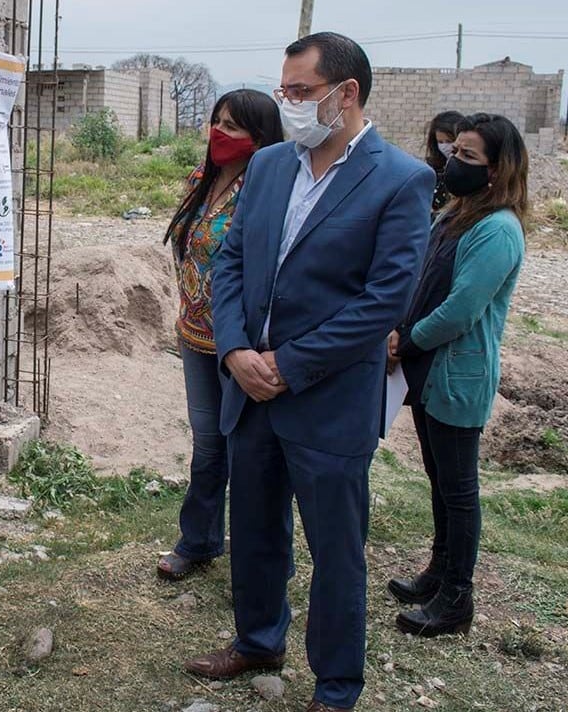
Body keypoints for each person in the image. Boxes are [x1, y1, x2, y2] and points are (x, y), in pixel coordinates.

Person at [190, 33, 434, 712]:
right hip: (251, 389)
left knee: (336, 553)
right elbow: (231, 261)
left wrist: (289, 366)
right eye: (284, 91)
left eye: (299, 91)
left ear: (345, 93)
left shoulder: (401, 179)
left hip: (326, 401)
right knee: (256, 530)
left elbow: (384, 300)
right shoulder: (270, 166)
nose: (288, 103)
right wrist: (236, 351)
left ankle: (335, 686)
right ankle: (258, 639)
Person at [386, 114, 527, 638]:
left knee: (459, 488)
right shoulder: (458, 213)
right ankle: (437, 572)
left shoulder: (498, 229)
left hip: (457, 377)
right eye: (453, 153)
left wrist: (408, 339)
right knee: (439, 480)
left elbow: (462, 309)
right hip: (429, 372)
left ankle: (457, 599)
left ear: (498, 170)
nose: (453, 164)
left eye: (468, 158)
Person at [155, 89, 284, 581]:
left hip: (242, 344)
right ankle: (200, 540)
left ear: (261, 138)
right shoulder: (200, 181)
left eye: (233, 126)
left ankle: (257, 560)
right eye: (217, 122)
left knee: (248, 451)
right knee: (207, 443)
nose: (219, 133)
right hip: (193, 333)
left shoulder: (266, 190)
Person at [425, 111, 466, 215]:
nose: (445, 147)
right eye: (440, 142)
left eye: (449, 141)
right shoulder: (433, 169)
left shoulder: (469, 170)